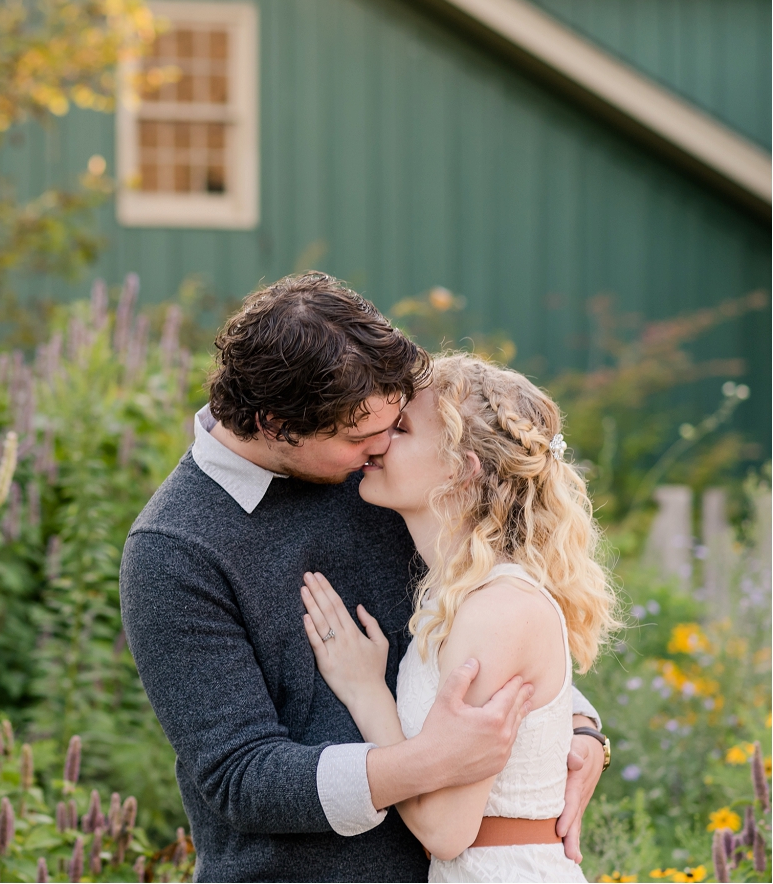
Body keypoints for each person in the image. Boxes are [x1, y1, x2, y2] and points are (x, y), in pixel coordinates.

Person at [119, 273, 606, 882]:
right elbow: (240, 777)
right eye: (360, 437)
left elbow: (488, 622)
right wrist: (425, 763)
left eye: (395, 424)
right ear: (275, 423)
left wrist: (577, 727)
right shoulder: (175, 549)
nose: (378, 447)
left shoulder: (388, 474)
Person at [301, 353, 616, 882]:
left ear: (460, 469)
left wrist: (365, 690)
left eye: (400, 428)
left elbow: (445, 830)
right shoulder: (457, 596)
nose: (376, 442)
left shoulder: (498, 610)